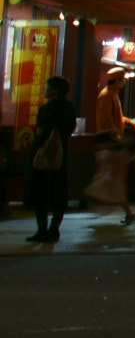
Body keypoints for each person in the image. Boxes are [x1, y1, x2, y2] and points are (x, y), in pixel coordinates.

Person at [26, 76, 78, 243]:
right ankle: (53, 228)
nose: (44, 90)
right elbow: (68, 129)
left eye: (46, 87)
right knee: (57, 193)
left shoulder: (46, 109)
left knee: (41, 192)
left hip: (43, 156)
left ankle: (42, 229)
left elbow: (40, 131)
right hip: (58, 156)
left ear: (54, 90)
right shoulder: (67, 108)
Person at [85, 129, 135, 224]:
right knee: (119, 196)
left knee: (118, 196)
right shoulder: (117, 150)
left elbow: (106, 164)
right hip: (115, 176)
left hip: (113, 176)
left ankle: (128, 214)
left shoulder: (111, 152)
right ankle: (128, 214)